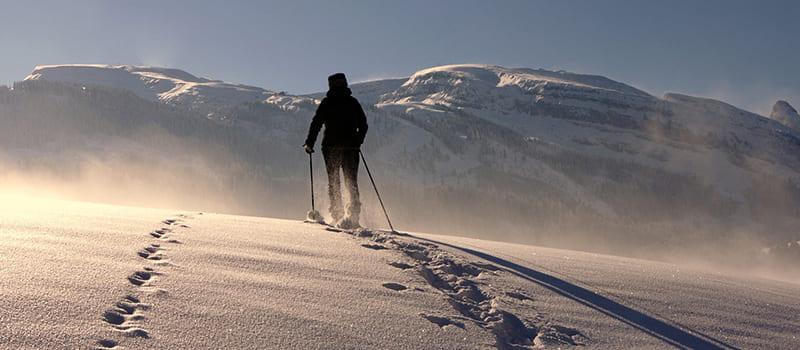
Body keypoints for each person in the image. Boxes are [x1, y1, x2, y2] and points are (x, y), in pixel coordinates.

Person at [303, 73, 368, 229]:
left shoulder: (327, 103)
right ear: (345, 84)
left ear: (330, 85)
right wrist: (357, 141)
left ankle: (337, 215)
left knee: (334, 181)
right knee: (351, 181)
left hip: (330, 148)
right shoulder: (352, 102)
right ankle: (353, 217)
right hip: (350, 148)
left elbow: (316, 124)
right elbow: (364, 125)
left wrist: (309, 143)